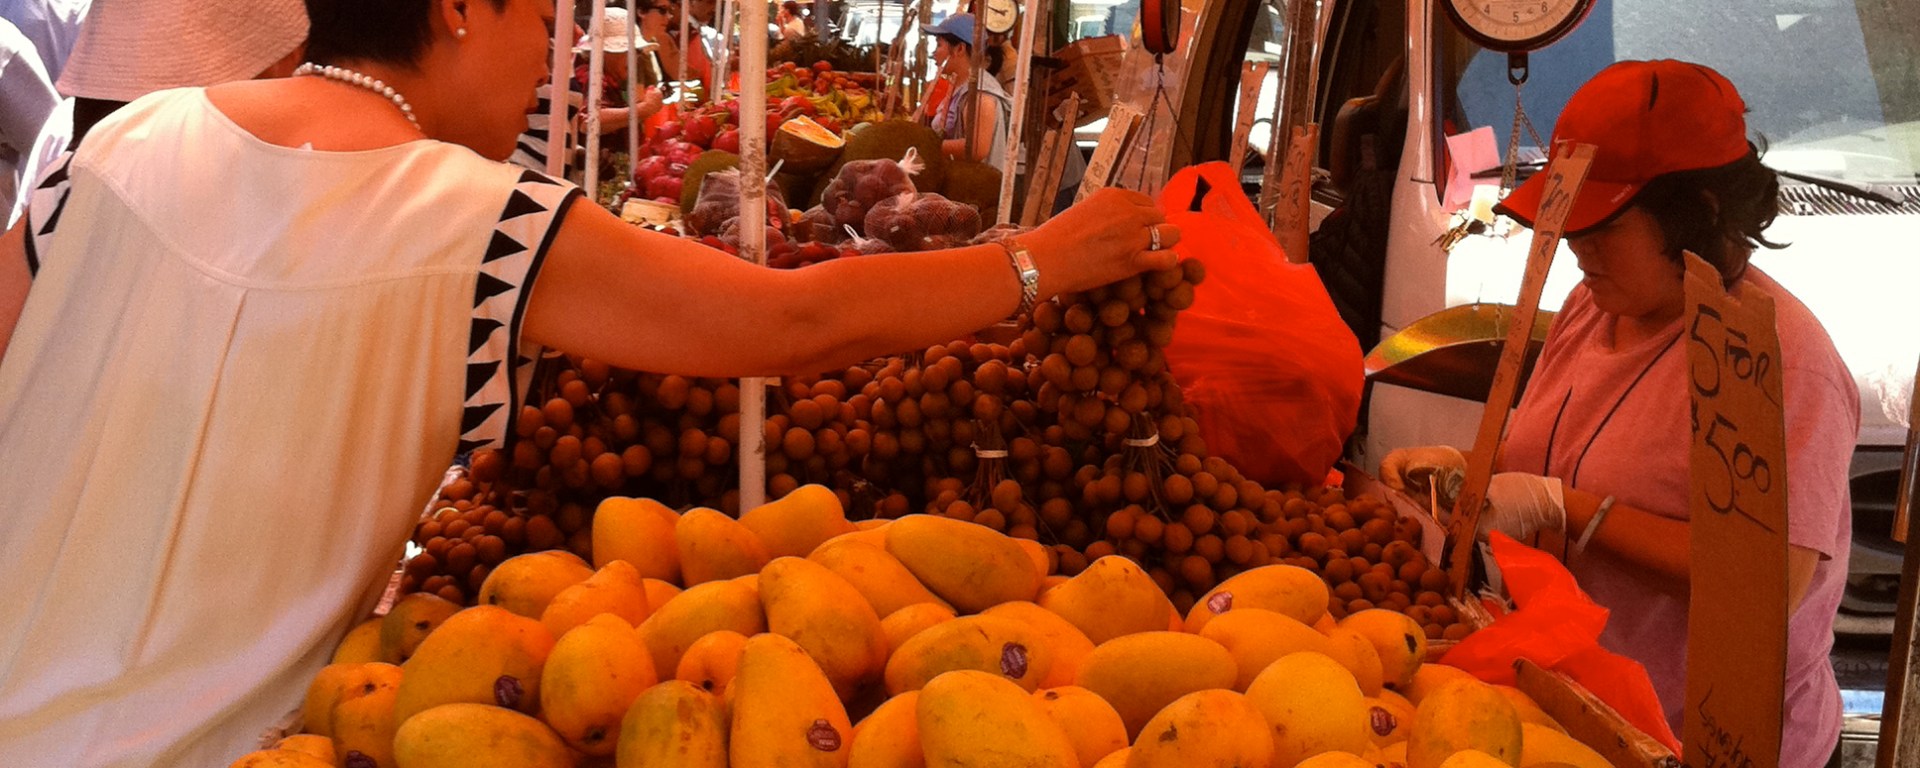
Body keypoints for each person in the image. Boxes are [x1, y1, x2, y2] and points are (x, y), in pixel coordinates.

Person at [0, 0, 1176, 764]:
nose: (551, 64)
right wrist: (1039, 260)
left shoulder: (119, 143)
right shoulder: (478, 221)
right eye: (540, 26)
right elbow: (797, 322)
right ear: (460, 11)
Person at [1378, 60, 1856, 767]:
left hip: (1699, 741)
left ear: (1703, 211)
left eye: (1600, 228)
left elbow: (1767, 583)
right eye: (1569, 226)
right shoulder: (1592, 306)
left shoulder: (1778, 359)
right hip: (1570, 706)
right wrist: (1465, 476)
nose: (1575, 251)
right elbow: (1546, 454)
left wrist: (1571, 509)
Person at [922, 13, 1010, 170]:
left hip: (974, 191)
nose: (934, 53)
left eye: (939, 45)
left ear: (959, 49)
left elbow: (976, 148)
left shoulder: (980, 94)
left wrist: (926, 146)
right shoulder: (959, 86)